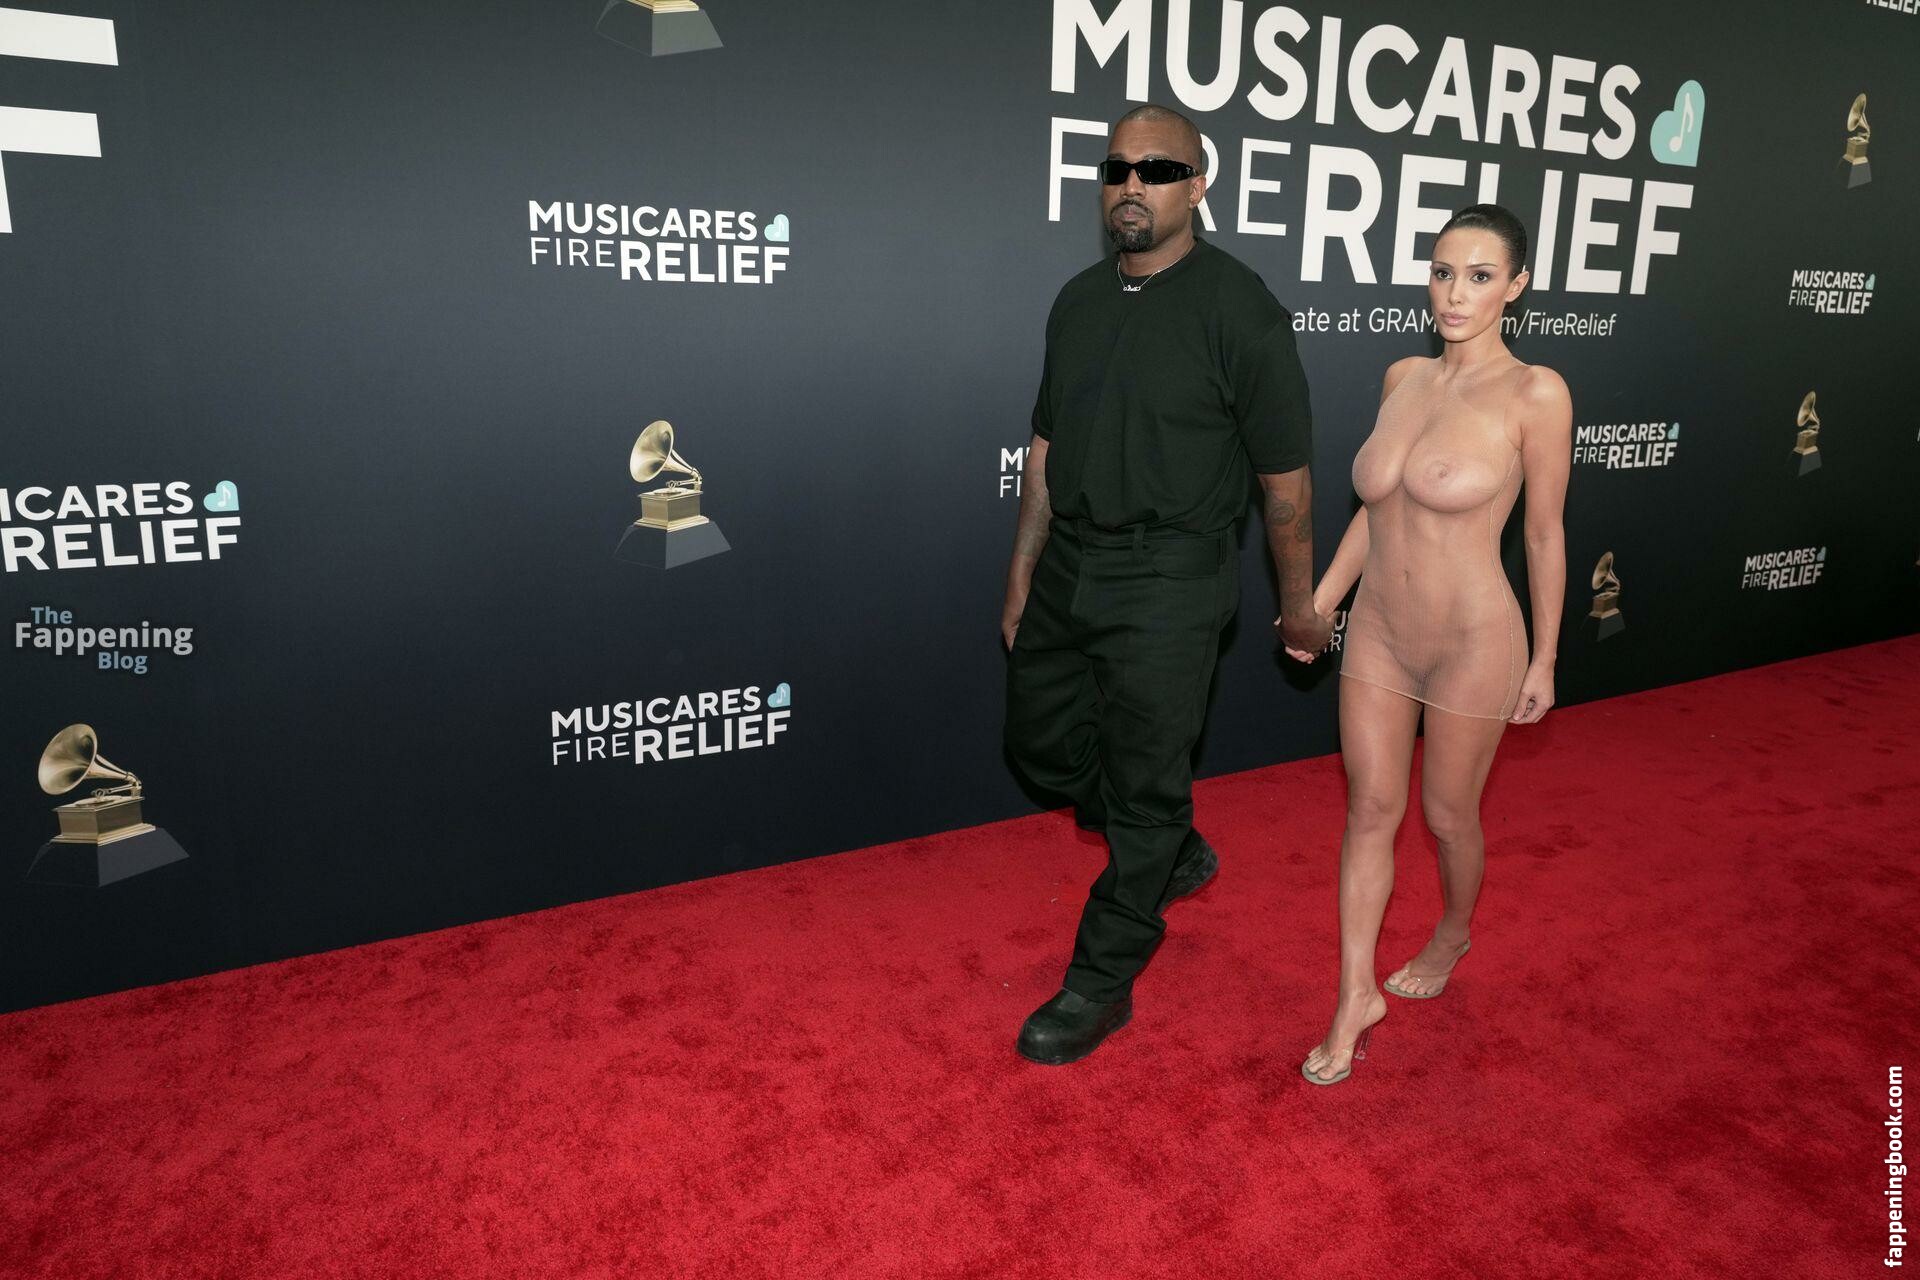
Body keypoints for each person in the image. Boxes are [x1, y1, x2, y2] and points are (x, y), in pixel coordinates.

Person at [1003, 104, 1330, 1066]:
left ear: (1198, 186)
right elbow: (1045, 449)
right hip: (1072, 560)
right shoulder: (1077, 300)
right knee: (1038, 745)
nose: (1132, 186)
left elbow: (1286, 483)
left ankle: (1101, 980)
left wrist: (1301, 605)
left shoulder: (1240, 309)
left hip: (1173, 574)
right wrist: (1021, 573)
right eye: (1117, 169)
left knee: (1146, 783)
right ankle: (1172, 850)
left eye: (1157, 169)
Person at [1290, 204, 1571, 1086]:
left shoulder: (1536, 394)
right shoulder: (1402, 375)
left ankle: (1452, 932)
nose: (1455, 293)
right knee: (1369, 811)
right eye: (1444, 272)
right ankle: (1353, 996)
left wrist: (1545, 658)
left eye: (1480, 276)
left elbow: (1544, 534)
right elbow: (1375, 515)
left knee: (1448, 817)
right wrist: (1320, 604)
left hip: (1473, 641)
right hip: (1378, 632)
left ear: (1516, 287)